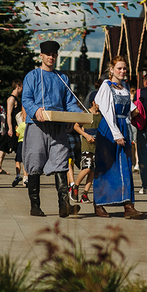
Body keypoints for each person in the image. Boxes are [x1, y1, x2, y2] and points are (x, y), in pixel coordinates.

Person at [22, 40, 82, 218]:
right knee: (34, 162)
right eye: (47, 54)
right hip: (37, 126)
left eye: (54, 54)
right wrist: (35, 110)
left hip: (58, 127)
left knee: (61, 162)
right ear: (41, 55)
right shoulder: (32, 76)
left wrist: (78, 115)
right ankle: (35, 206)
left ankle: (64, 206)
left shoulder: (62, 78)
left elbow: (70, 102)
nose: (51, 57)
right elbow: (26, 99)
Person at [93, 56, 143, 219]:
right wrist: (116, 134)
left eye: (125, 69)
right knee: (106, 166)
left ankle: (128, 205)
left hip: (124, 127)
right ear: (112, 70)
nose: (122, 71)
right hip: (109, 129)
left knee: (126, 166)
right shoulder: (106, 86)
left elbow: (128, 108)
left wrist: (134, 111)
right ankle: (99, 204)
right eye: (119, 68)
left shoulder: (126, 87)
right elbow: (107, 111)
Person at [71, 90, 101, 204]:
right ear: (93, 102)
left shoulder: (102, 115)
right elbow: (76, 126)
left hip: (97, 147)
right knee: (86, 168)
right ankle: (75, 186)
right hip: (87, 146)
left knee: (93, 171)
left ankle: (85, 194)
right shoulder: (86, 114)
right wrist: (86, 135)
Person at [0, 79, 23, 175]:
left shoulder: (15, 99)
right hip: (12, 126)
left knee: (5, 145)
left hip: (15, 126)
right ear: (17, 86)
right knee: (5, 144)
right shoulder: (11, 99)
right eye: (21, 87)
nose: (22, 89)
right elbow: (9, 114)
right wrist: (10, 128)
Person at [12, 108, 28, 187]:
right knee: (25, 161)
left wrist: (16, 129)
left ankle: (18, 175)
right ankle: (26, 177)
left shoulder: (21, 125)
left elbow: (17, 134)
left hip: (20, 143)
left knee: (18, 160)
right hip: (27, 143)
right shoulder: (29, 125)